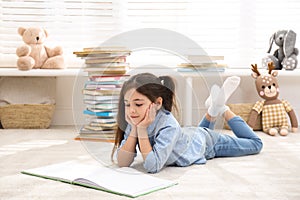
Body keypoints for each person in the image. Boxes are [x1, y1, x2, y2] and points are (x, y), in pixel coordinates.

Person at [112, 73, 263, 173]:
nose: (131, 111)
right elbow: (123, 162)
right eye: (127, 104)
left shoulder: (168, 125)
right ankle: (213, 108)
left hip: (206, 144)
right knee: (198, 132)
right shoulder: (135, 120)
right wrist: (134, 130)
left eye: (138, 104)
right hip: (190, 136)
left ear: (157, 103)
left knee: (256, 144)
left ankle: (221, 108)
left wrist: (142, 130)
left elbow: (153, 166)